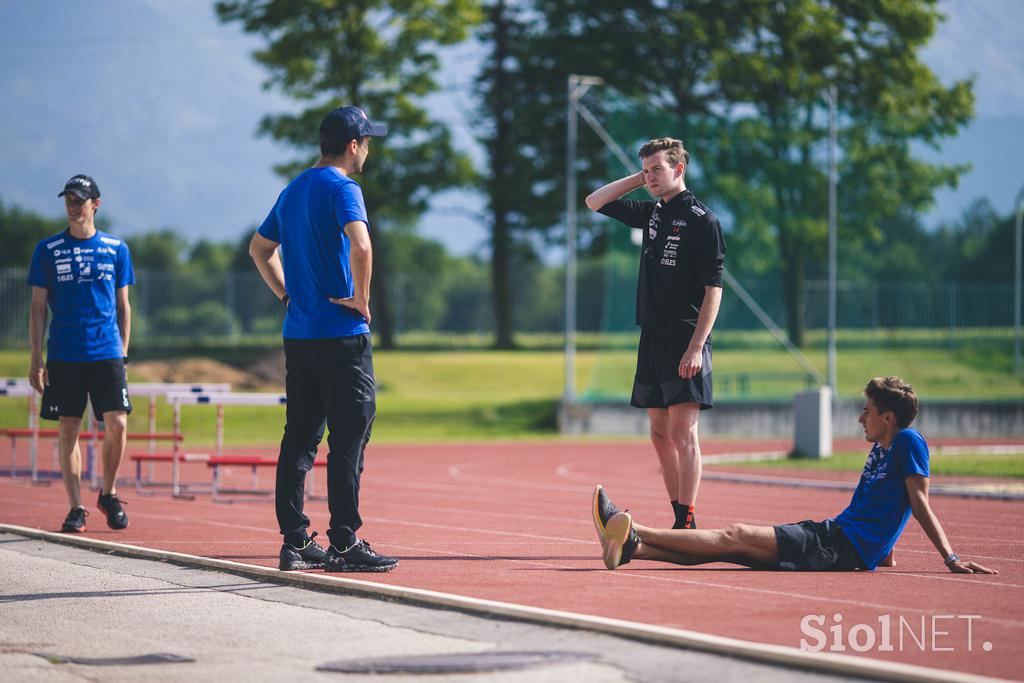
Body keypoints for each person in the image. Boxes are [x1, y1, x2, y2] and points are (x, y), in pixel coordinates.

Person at [594, 377, 998, 575]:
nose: (861, 418)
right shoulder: (883, 448)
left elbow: (918, 501)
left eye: (867, 411)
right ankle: (633, 549)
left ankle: (630, 526)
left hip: (834, 545)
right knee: (728, 550)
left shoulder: (909, 441)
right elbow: (876, 505)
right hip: (835, 538)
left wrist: (950, 557)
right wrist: (884, 550)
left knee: (733, 535)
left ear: (888, 418)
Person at [250, 105, 398, 573]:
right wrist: (361, 298)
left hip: (300, 335)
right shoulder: (343, 187)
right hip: (341, 334)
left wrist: (286, 295)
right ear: (353, 145)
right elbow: (362, 244)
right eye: (368, 142)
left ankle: (295, 542)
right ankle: (344, 541)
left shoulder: (293, 189)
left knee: (300, 437)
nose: (368, 150)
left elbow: (260, 249)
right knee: (350, 436)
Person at [585, 138, 725, 530]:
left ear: (679, 170)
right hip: (652, 336)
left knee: (683, 432)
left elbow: (714, 289)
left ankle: (689, 520)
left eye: (657, 170)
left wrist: (696, 347)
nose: (649, 178)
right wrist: (643, 177)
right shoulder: (652, 214)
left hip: (686, 336)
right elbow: (594, 202)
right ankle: (679, 515)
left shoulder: (703, 220)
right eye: (646, 170)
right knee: (659, 433)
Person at [27, 174, 135, 534]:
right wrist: (35, 357)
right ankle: (76, 507)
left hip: (105, 350)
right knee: (68, 427)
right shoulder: (48, 249)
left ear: (95, 205)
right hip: (64, 353)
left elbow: (124, 305)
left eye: (79, 200)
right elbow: (38, 307)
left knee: (117, 422)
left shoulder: (116, 248)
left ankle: (109, 492)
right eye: (68, 201)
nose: (73, 206)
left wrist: (122, 350)